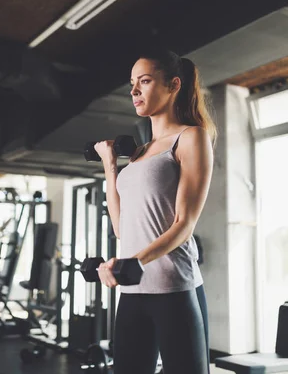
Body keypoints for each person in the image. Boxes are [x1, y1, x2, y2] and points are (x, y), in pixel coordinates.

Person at [94, 48, 216, 374]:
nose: (134, 91)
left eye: (144, 81)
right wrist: (110, 167)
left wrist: (134, 261)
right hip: (134, 289)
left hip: (173, 287)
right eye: (132, 83)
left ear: (173, 85)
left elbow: (183, 224)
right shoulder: (140, 152)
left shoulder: (191, 138)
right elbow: (122, 229)